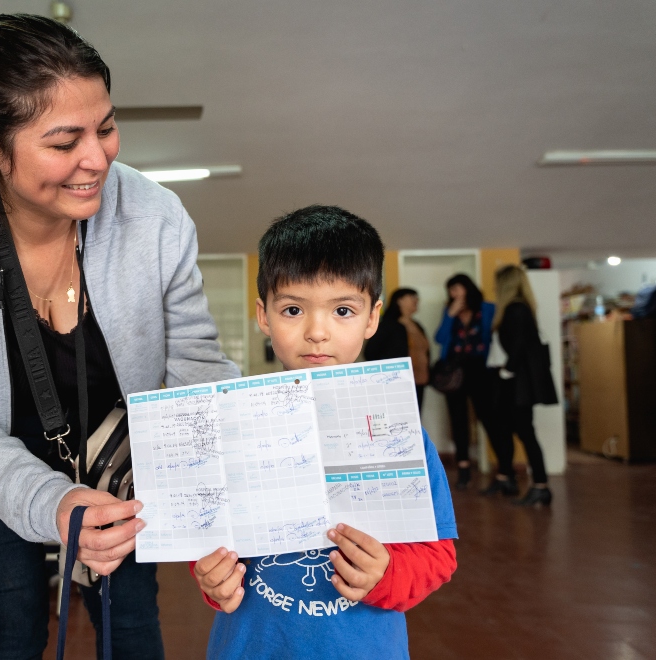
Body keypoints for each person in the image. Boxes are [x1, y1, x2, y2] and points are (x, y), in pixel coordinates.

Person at [0, 12, 239, 659]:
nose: (97, 158)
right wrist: (51, 501)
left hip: (114, 456)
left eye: (105, 127)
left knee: (130, 622)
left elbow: (196, 363)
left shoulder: (156, 218)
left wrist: (211, 480)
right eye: (64, 140)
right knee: (10, 622)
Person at [191, 206, 457, 660]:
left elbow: (438, 556)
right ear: (264, 316)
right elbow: (210, 550)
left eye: (343, 310)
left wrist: (386, 573)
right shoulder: (234, 428)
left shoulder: (400, 432)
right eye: (293, 309)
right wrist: (213, 582)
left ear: (372, 318)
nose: (317, 332)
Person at [483, 265, 558, 505]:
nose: (494, 288)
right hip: (512, 382)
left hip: (515, 383)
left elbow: (517, 347)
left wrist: (506, 371)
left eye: (497, 283)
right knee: (505, 428)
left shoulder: (516, 309)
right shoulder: (518, 309)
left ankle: (541, 485)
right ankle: (507, 477)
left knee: (525, 432)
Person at [434, 273, 496, 489]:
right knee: (458, 420)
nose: (455, 293)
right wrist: (450, 315)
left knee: (489, 417)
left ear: (468, 289)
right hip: (455, 372)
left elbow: (494, 337)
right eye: (451, 290)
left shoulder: (487, 308)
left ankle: (503, 470)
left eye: (458, 288)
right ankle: (463, 470)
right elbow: (440, 339)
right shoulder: (449, 311)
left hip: (481, 369)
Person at [364, 287, 429, 409]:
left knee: (416, 418)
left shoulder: (417, 325)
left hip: (419, 380)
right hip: (397, 383)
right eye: (412, 297)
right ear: (399, 300)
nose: (416, 300)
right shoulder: (388, 325)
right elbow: (371, 352)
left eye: (417, 297)